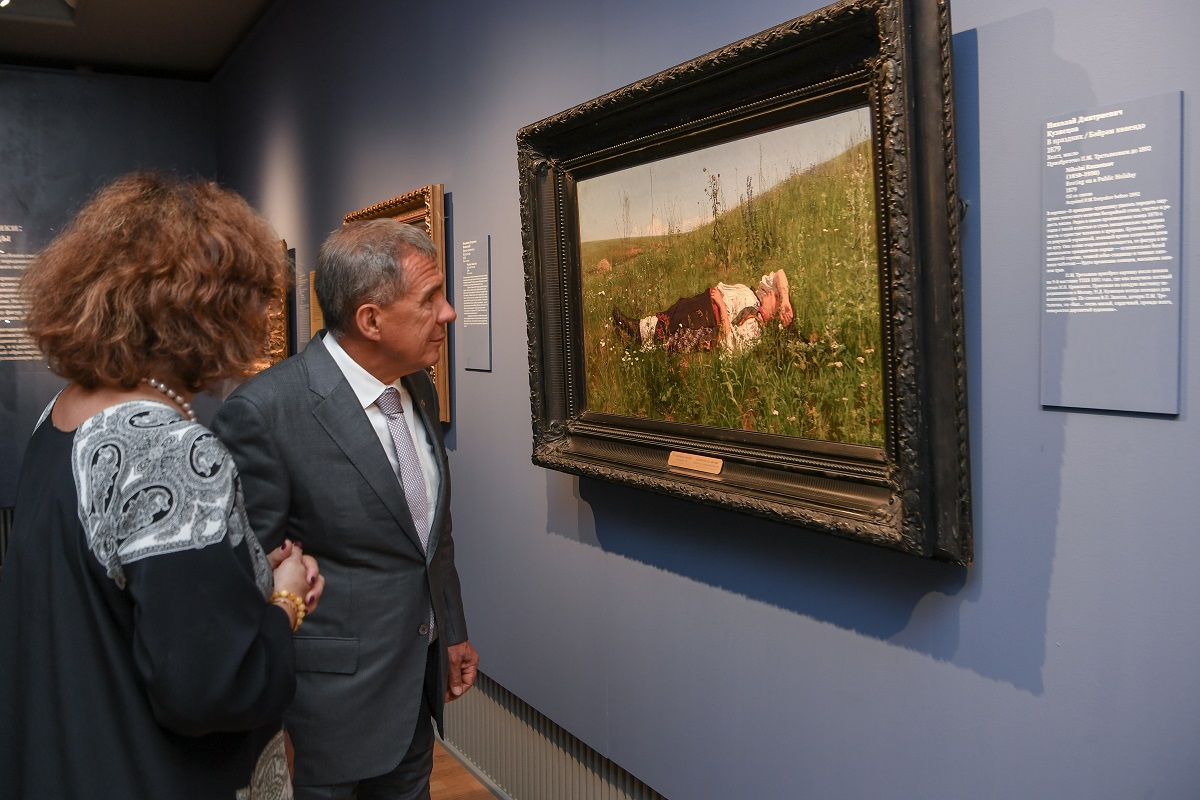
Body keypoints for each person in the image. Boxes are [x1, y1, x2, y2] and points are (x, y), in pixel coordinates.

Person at [0, 172, 326, 800]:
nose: (262, 317)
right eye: (254, 298)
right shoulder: (169, 447)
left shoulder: (65, 412)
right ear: (209, 309)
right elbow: (209, 690)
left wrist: (247, 573)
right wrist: (286, 601)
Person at [211, 218, 478, 800]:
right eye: (430, 298)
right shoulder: (266, 413)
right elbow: (244, 581)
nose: (449, 313)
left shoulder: (417, 387)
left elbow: (430, 534)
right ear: (370, 319)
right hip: (319, 719)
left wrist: (450, 630)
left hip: (413, 697)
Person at [612, 267, 795, 353]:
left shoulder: (755, 328)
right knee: (674, 312)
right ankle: (639, 332)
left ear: (774, 312)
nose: (772, 292)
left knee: (676, 332)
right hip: (706, 302)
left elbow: (728, 344)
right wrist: (785, 298)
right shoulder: (758, 298)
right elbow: (779, 273)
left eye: (775, 296)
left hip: (709, 319)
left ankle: (638, 341)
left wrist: (722, 306)